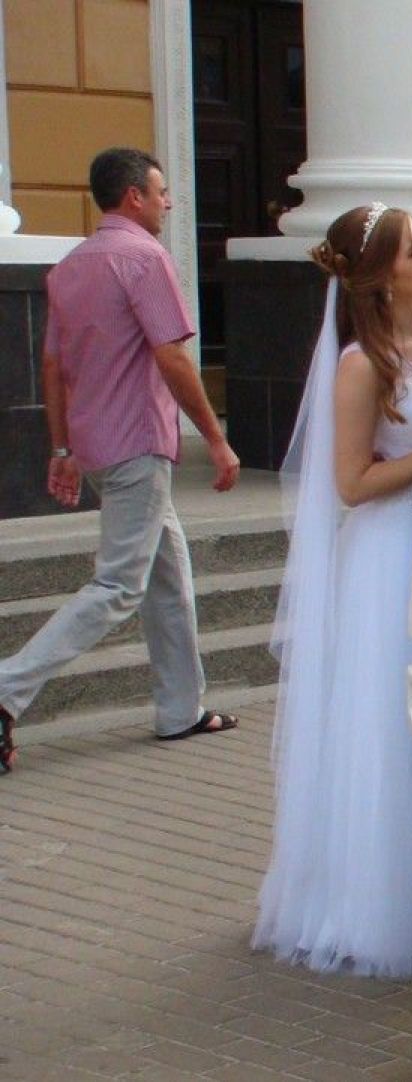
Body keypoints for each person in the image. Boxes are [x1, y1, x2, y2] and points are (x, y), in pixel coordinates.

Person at [252, 203, 412, 979]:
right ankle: (386, 906)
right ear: (382, 279)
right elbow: (350, 483)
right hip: (391, 552)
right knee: (395, 725)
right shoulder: (361, 364)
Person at [0, 147, 241, 775]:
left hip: (98, 446)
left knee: (167, 574)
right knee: (117, 586)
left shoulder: (71, 266)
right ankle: (7, 689)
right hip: (137, 443)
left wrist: (61, 449)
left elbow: (52, 365)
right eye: (161, 192)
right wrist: (215, 438)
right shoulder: (144, 257)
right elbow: (172, 356)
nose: (168, 203)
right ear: (134, 196)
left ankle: (181, 709)